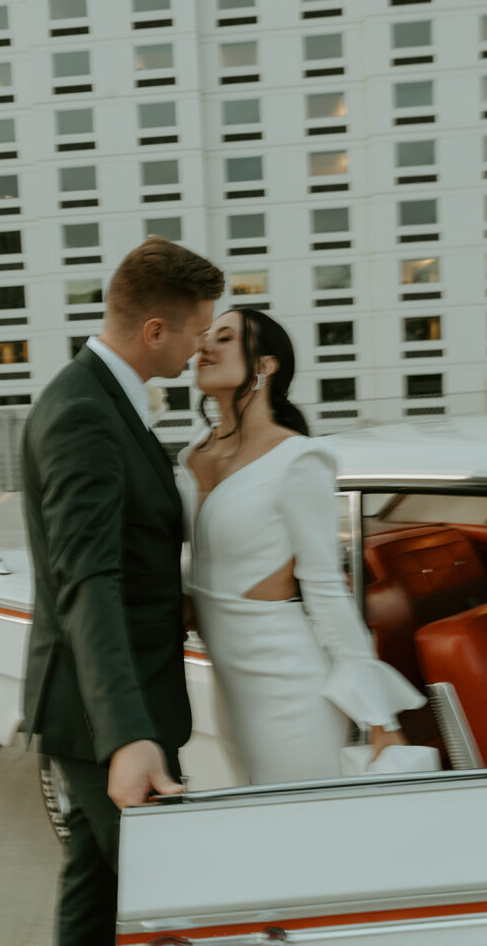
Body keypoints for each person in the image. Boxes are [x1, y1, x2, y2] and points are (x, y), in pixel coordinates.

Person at [21, 237, 224, 945]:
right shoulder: (83, 412)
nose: (200, 347)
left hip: (119, 702)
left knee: (94, 891)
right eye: (198, 330)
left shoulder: (107, 397)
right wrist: (127, 735)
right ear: (154, 331)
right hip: (104, 712)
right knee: (171, 901)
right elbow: (88, 581)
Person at [178, 307, 425, 785]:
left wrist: (380, 719)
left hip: (289, 688)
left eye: (224, 338)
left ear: (266, 366)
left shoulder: (299, 458)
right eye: (205, 336)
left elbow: (326, 589)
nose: (204, 346)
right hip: (228, 687)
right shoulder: (192, 455)